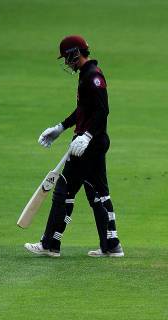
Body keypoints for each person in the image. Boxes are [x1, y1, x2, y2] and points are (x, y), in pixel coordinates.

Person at [25, 35, 124, 258]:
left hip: (87, 147)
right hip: (91, 144)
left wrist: (86, 136)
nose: (66, 62)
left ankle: (50, 244)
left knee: (63, 190)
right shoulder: (86, 75)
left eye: (67, 57)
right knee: (98, 193)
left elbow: (102, 111)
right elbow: (83, 111)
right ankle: (112, 245)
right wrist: (61, 127)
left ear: (75, 53)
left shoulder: (93, 77)